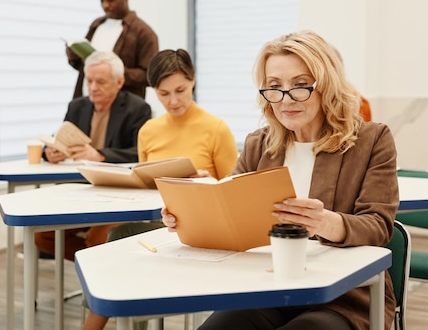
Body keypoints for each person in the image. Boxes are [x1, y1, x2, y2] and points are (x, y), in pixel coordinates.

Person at [161, 30, 399, 330]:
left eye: (300, 86)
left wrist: (325, 222)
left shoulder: (372, 139)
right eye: (274, 86)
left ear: (325, 85)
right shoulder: (258, 144)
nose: (286, 99)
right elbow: (230, 220)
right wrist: (188, 216)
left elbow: (379, 225)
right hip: (265, 288)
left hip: (343, 297)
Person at [82, 48, 238, 330]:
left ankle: (92, 325)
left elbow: (235, 193)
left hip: (202, 229)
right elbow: (145, 184)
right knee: (115, 245)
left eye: (180, 90)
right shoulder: (149, 131)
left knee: (120, 238)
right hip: (162, 221)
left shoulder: (216, 129)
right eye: (163, 94)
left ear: (193, 81)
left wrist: (205, 181)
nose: (174, 101)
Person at [37, 50, 152, 260]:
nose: (92, 87)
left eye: (100, 81)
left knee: (98, 238)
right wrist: (50, 153)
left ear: (119, 82)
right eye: (89, 80)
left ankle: (98, 263)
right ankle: (97, 263)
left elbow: (139, 152)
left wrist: (100, 155)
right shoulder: (77, 106)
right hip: (80, 192)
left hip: (117, 196)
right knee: (42, 236)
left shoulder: (138, 109)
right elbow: (57, 138)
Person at [67, 0, 159, 99]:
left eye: (111, 0)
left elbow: (150, 76)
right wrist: (74, 56)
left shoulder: (143, 33)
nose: (105, 5)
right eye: (102, 0)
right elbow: (85, 68)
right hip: (85, 105)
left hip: (122, 111)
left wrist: (113, 72)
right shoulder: (96, 25)